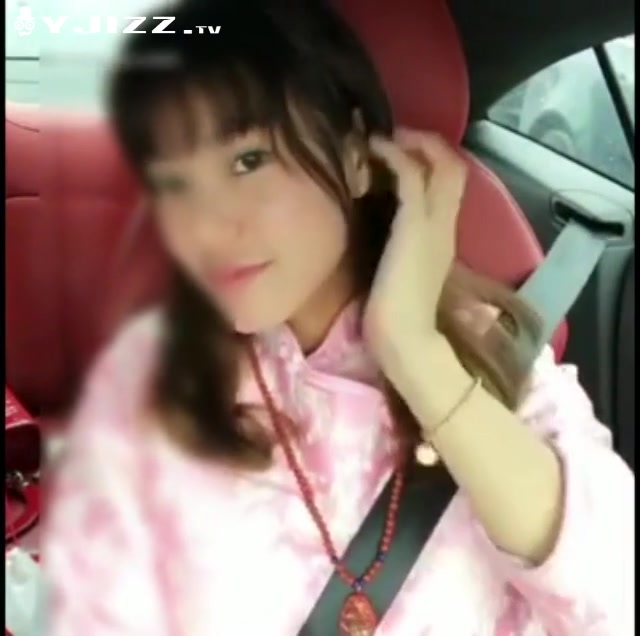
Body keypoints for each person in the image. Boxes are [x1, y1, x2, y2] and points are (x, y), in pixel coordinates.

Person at [43, 1, 634, 634]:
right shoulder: (154, 389)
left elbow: (616, 598)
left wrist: (414, 351)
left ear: (354, 156)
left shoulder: (493, 351)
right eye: (175, 185)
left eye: (248, 160)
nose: (206, 228)